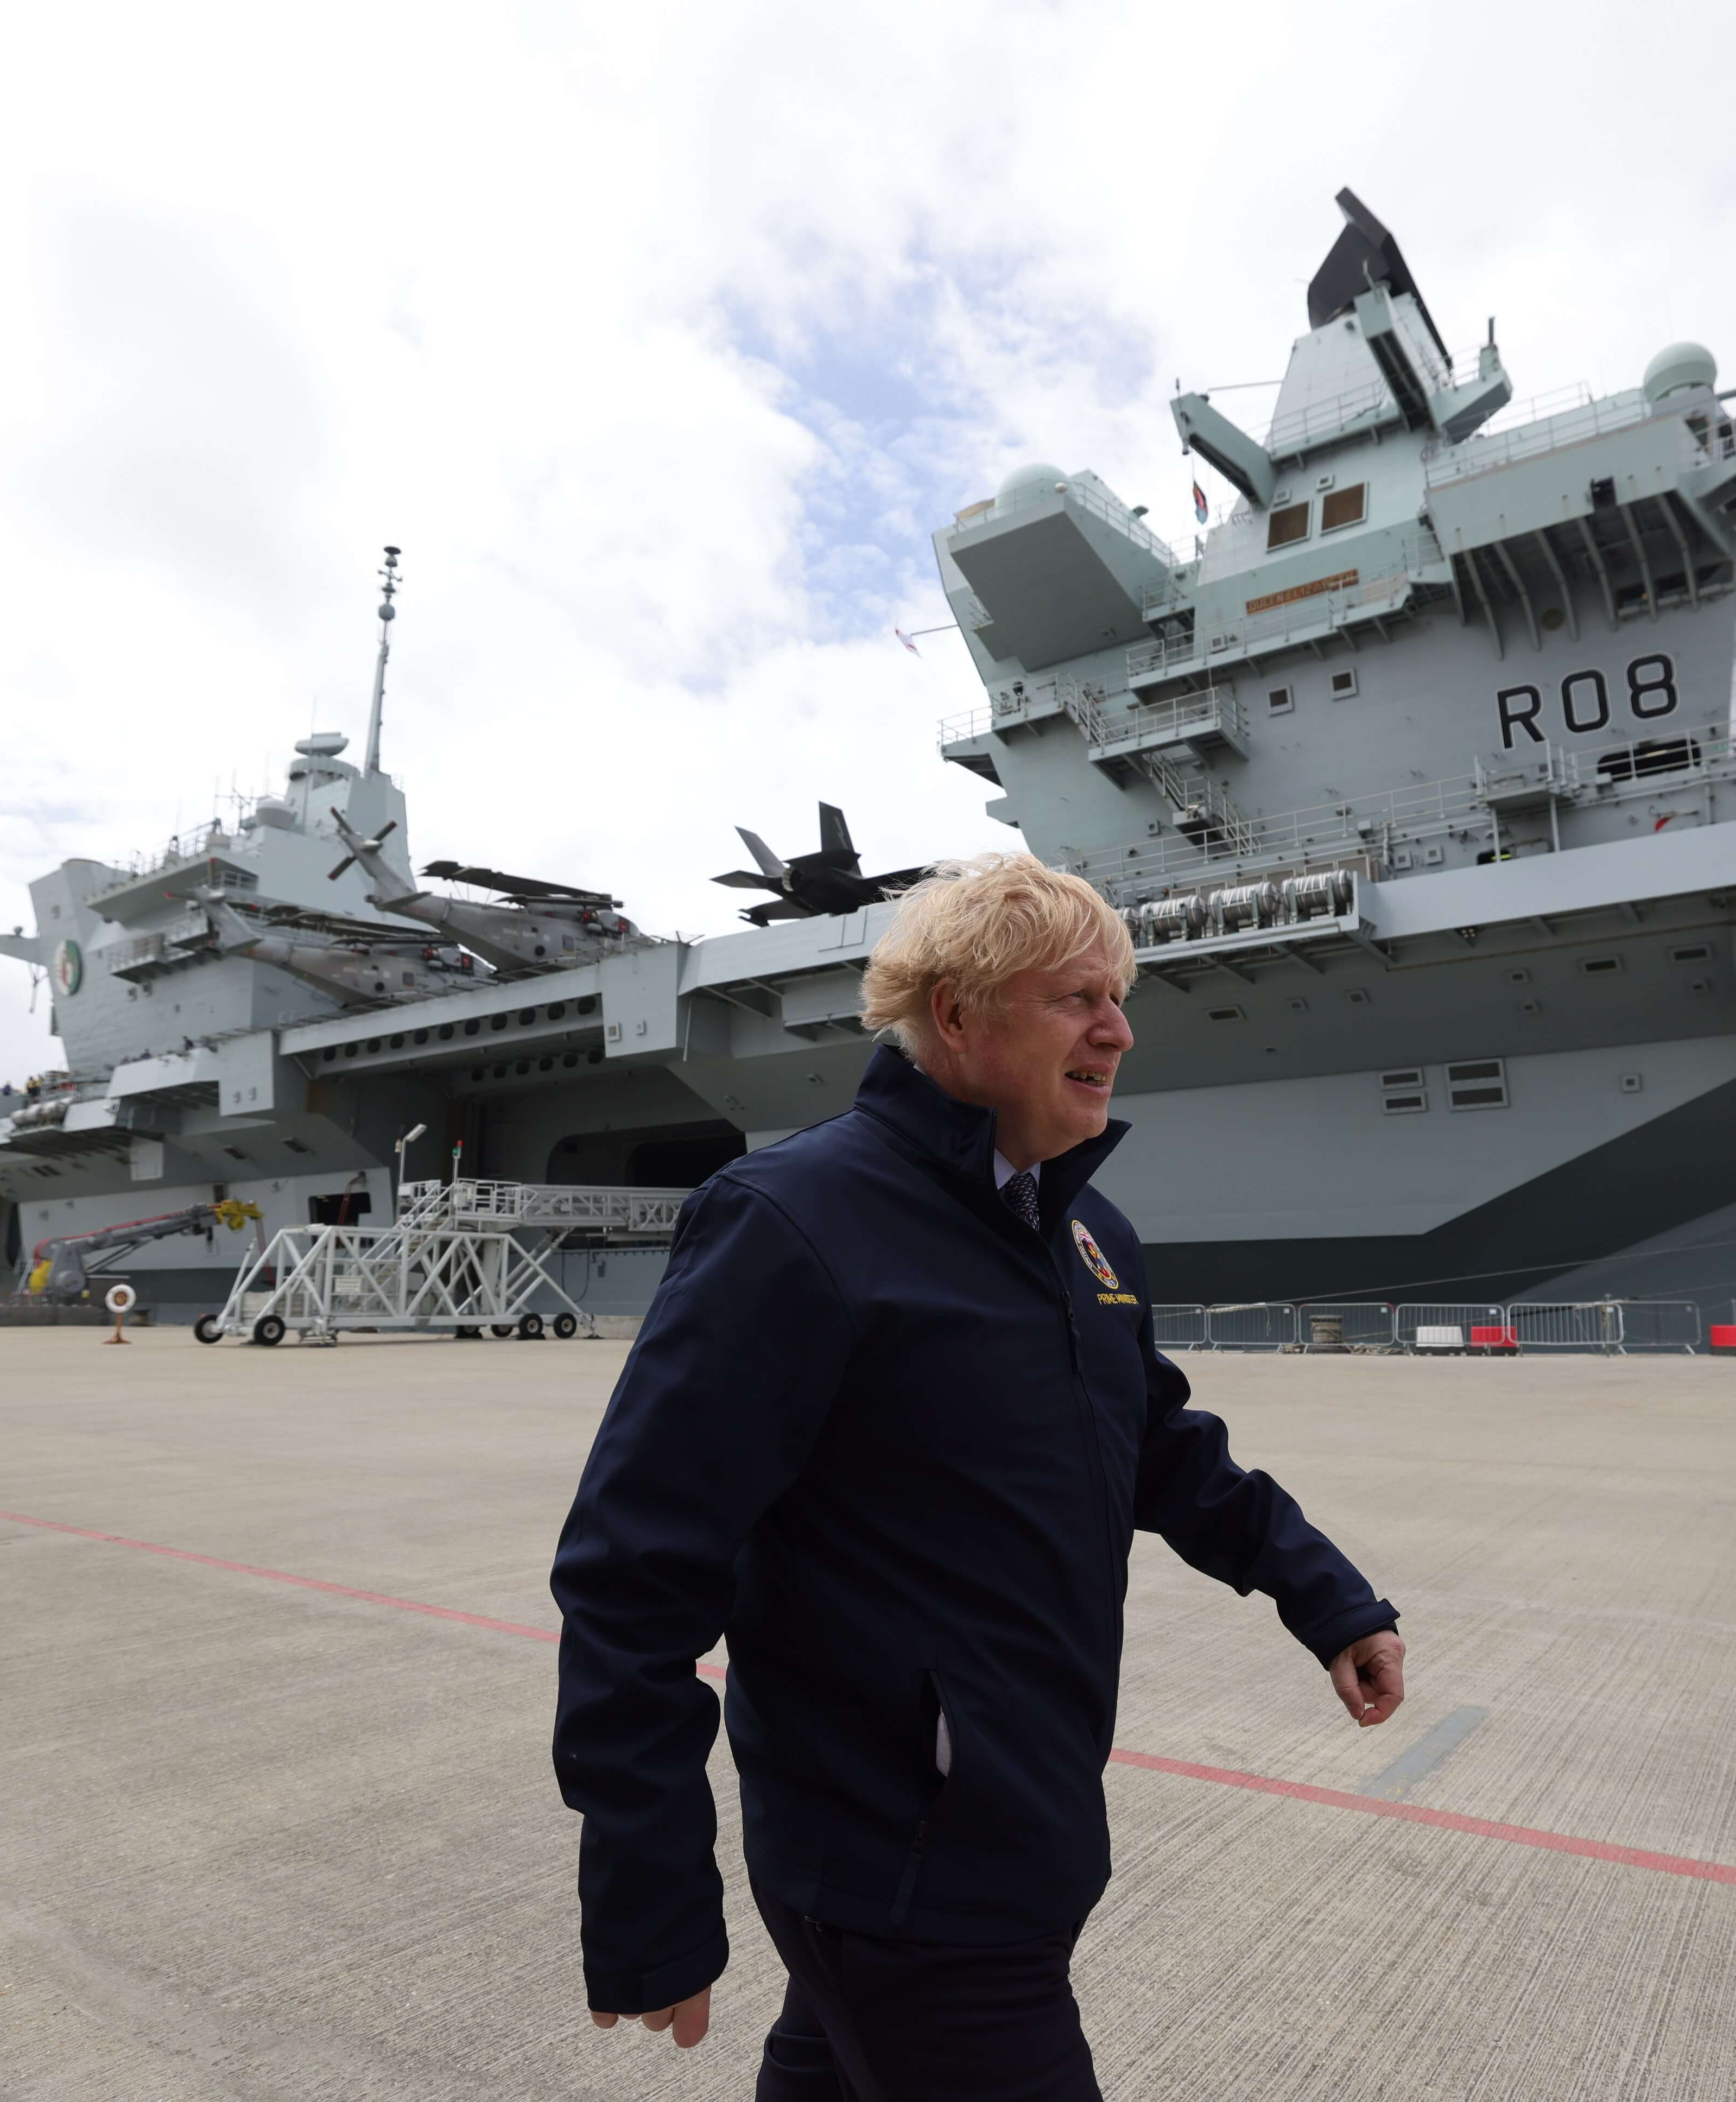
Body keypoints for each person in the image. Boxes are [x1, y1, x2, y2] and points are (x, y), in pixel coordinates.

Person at [551, 854, 1407, 2099]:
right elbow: (634, 1568)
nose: (1117, 1030)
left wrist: (1327, 1599)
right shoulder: (794, 1221)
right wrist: (648, 1888)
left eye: (1117, 998)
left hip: (1016, 1822)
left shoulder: (1083, 1232)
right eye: (1075, 998)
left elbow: (1159, 1443)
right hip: (903, 1869)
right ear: (956, 1014)